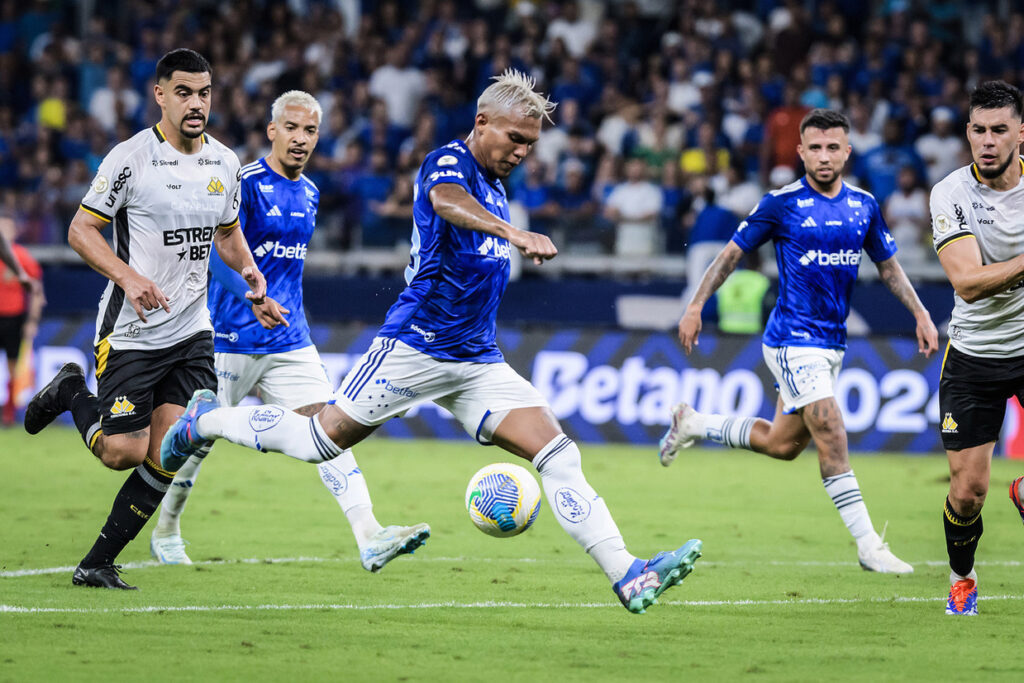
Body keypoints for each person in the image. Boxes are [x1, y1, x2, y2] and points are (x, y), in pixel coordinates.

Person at [161, 69, 702, 615]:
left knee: (560, 454)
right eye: (514, 139)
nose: (521, 152)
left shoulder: (494, 184)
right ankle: (202, 422)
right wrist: (513, 233)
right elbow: (445, 200)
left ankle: (629, 574)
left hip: (477, 359)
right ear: (482, 122)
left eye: (530, 145)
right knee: (317, 443)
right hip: (415, 346)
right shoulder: (448, 162)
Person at [22, 49, 285, 590]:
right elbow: (80, 230)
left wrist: (251, 273)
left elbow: (227, 233)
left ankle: (96, 563)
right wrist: (129, 277)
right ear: (160, 94)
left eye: (205, 92)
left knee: (170, 450)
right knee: (122, 452)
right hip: (131, 333)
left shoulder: (225, 163)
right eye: (184, 92)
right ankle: (73, 388)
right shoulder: (130, 158)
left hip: (191, 331)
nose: (196, 103)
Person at [151, 90, 429, 572]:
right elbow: (214, 252)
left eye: (311, 131)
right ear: (272, 131)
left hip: (290, 338)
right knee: (197, 442)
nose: (301, 139)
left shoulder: (311, 193)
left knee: (330, 431)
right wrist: (251, 297)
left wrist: (274, 304)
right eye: (292, 128)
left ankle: (369, 535)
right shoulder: (246, 183)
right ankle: (166, 528)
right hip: (229, 336)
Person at [659, 108, 938, 574]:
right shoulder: (780, 203)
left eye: (834, 148)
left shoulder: (864, 205)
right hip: (792, 338)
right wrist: (693, 306)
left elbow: (888, 267)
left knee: (782, 445)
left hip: (831, 343)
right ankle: (869, 546)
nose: (824, 156)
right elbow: (730, 256)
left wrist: (922, 313)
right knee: (831, 428)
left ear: (847, 152)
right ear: (801, 151)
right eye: (816, 148)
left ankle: (694, 424)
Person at [927, 80, 1024, 615]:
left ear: (1020, 134)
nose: (988, 141)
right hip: (974, 353)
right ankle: (961, 577)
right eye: (979, 131)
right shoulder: (950, 193)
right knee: (967, 493)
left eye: (999, 130)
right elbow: (967, 282)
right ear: (968, 132)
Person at [0, 215, 43, 425]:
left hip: (12, 317)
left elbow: (36, 290)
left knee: (12, 365)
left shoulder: (22, 257)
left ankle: (8, 413)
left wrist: (32, 321)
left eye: (7, 227)